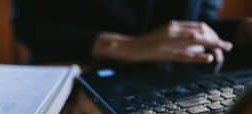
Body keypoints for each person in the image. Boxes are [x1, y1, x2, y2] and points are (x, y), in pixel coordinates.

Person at [13, 0, 252, 64]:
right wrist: (120, 46)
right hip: (73, 70)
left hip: (163, 83)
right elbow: (28, 25)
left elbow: (196, 22)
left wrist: (239, 32)